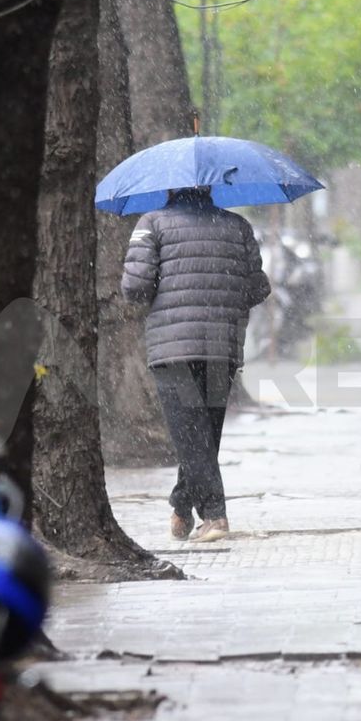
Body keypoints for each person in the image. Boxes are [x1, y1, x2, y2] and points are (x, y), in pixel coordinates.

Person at [120, 187, 270, 544]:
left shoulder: (151, 223)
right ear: (209, 188)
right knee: (204, 434)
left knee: (191, 435)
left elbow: (136, 287)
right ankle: (181, 503)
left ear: (169, 187)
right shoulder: (238, 225)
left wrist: (167, 287)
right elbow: (258, 287)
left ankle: (215, 516)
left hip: (174, 348)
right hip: (223, 346)